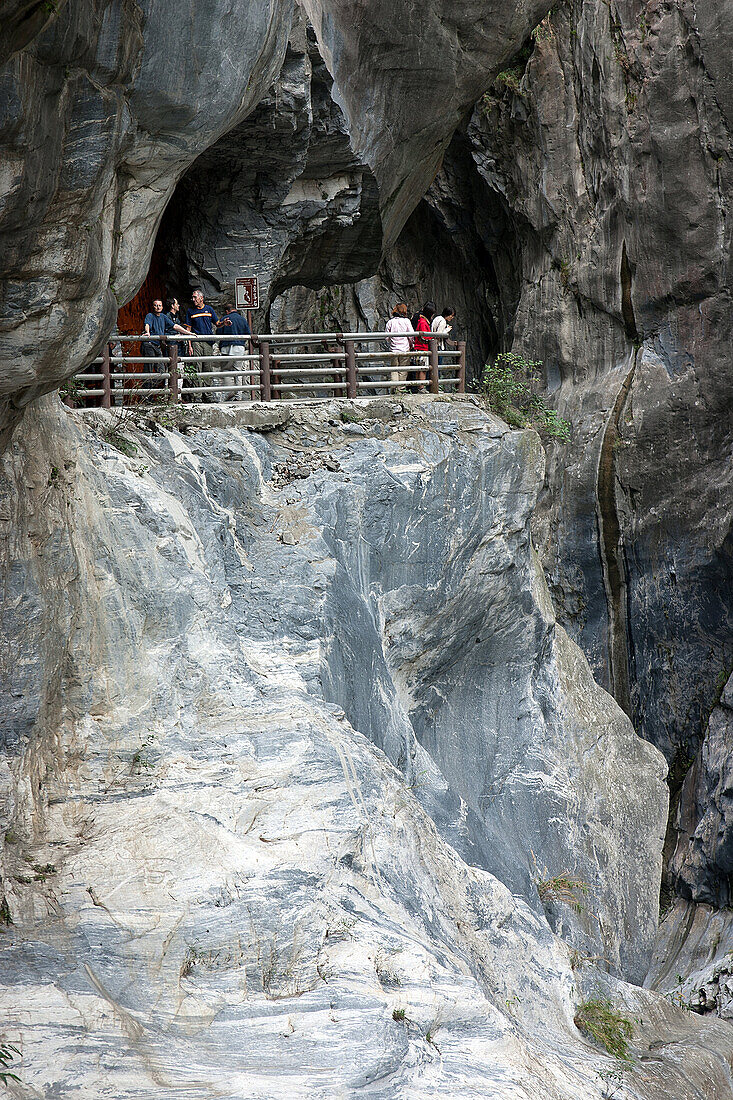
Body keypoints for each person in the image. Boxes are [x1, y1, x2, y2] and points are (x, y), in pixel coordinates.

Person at [185, 289, 219, 401]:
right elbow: (188, 329)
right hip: (196, 341)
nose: (193, 299)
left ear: (201, 298)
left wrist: (224, 323)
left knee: (207, 368)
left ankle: (208, 395)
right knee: (197, 367)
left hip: (208, 342)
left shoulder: (209, 309)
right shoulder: (190, 311)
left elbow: (217, 323)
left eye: (195, 297)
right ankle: (197, 395)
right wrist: (189, 345)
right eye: (193, 297)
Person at [217, 303, 252, 400]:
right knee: (238, 371)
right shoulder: (242, 319)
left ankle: (227, 393)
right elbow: (248, 334)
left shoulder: (225, 319)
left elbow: (219, 333)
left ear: (227, 311)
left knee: (225, 370)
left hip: (226, 347)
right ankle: (238, 396)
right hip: (239, 347)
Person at [385, 302, 413, 388]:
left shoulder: (390, 322)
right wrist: (411, 344)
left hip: (394, 349)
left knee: (394, 369)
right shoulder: (406, 321)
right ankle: (400, 388)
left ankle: (394, 388)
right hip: (404, 348)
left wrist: (392, 341)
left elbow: (386, 337)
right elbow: (411, 335)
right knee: (403, 370)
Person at [141, 299, 166, 390]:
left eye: (159, 305)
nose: (158, 307)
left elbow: (174, 326)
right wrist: (147, 332)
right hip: (149, 344)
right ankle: (147, 395)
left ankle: (151, 389)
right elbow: (147, 324)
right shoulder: (150, 316)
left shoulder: (163, 317)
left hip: (157, 346)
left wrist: (188, 333)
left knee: (162, 372)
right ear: (153, 307)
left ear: (162, 307)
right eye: (156, 305)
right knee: (149, 370)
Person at [413, 301, 436, 389]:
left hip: (420, 348)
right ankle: (421, 387)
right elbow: (424, 337)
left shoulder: (422, 320)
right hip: (422, 348)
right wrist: (432, 339)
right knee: (423, 369)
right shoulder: (423, 322)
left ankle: (419, 387)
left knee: (420, 368)